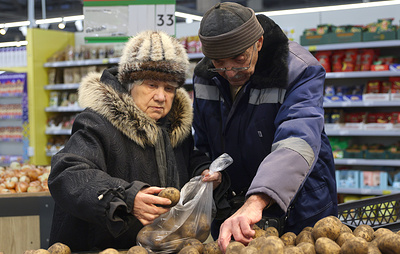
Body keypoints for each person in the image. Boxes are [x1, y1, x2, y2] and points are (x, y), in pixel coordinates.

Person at [47, 30, 222, 252]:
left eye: (169, 88)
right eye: (151, 85)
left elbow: (185, 161)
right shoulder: (97, 123)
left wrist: (204, 172)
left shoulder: (173, 127)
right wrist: (126, 198)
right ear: (130, 84)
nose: (161, 96)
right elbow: (67, 172)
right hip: (102, 248)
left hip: (155, 246)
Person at [192, 2, 338, 252]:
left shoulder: (298, 69)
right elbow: (203, 140)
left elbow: (297, 138)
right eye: (219, 62)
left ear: (258, 42)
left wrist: (257, 200)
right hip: (236, 212)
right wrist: (209, 171)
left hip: (300, 205)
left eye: (239, 59)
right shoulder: (205, 75)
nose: (230, 72)